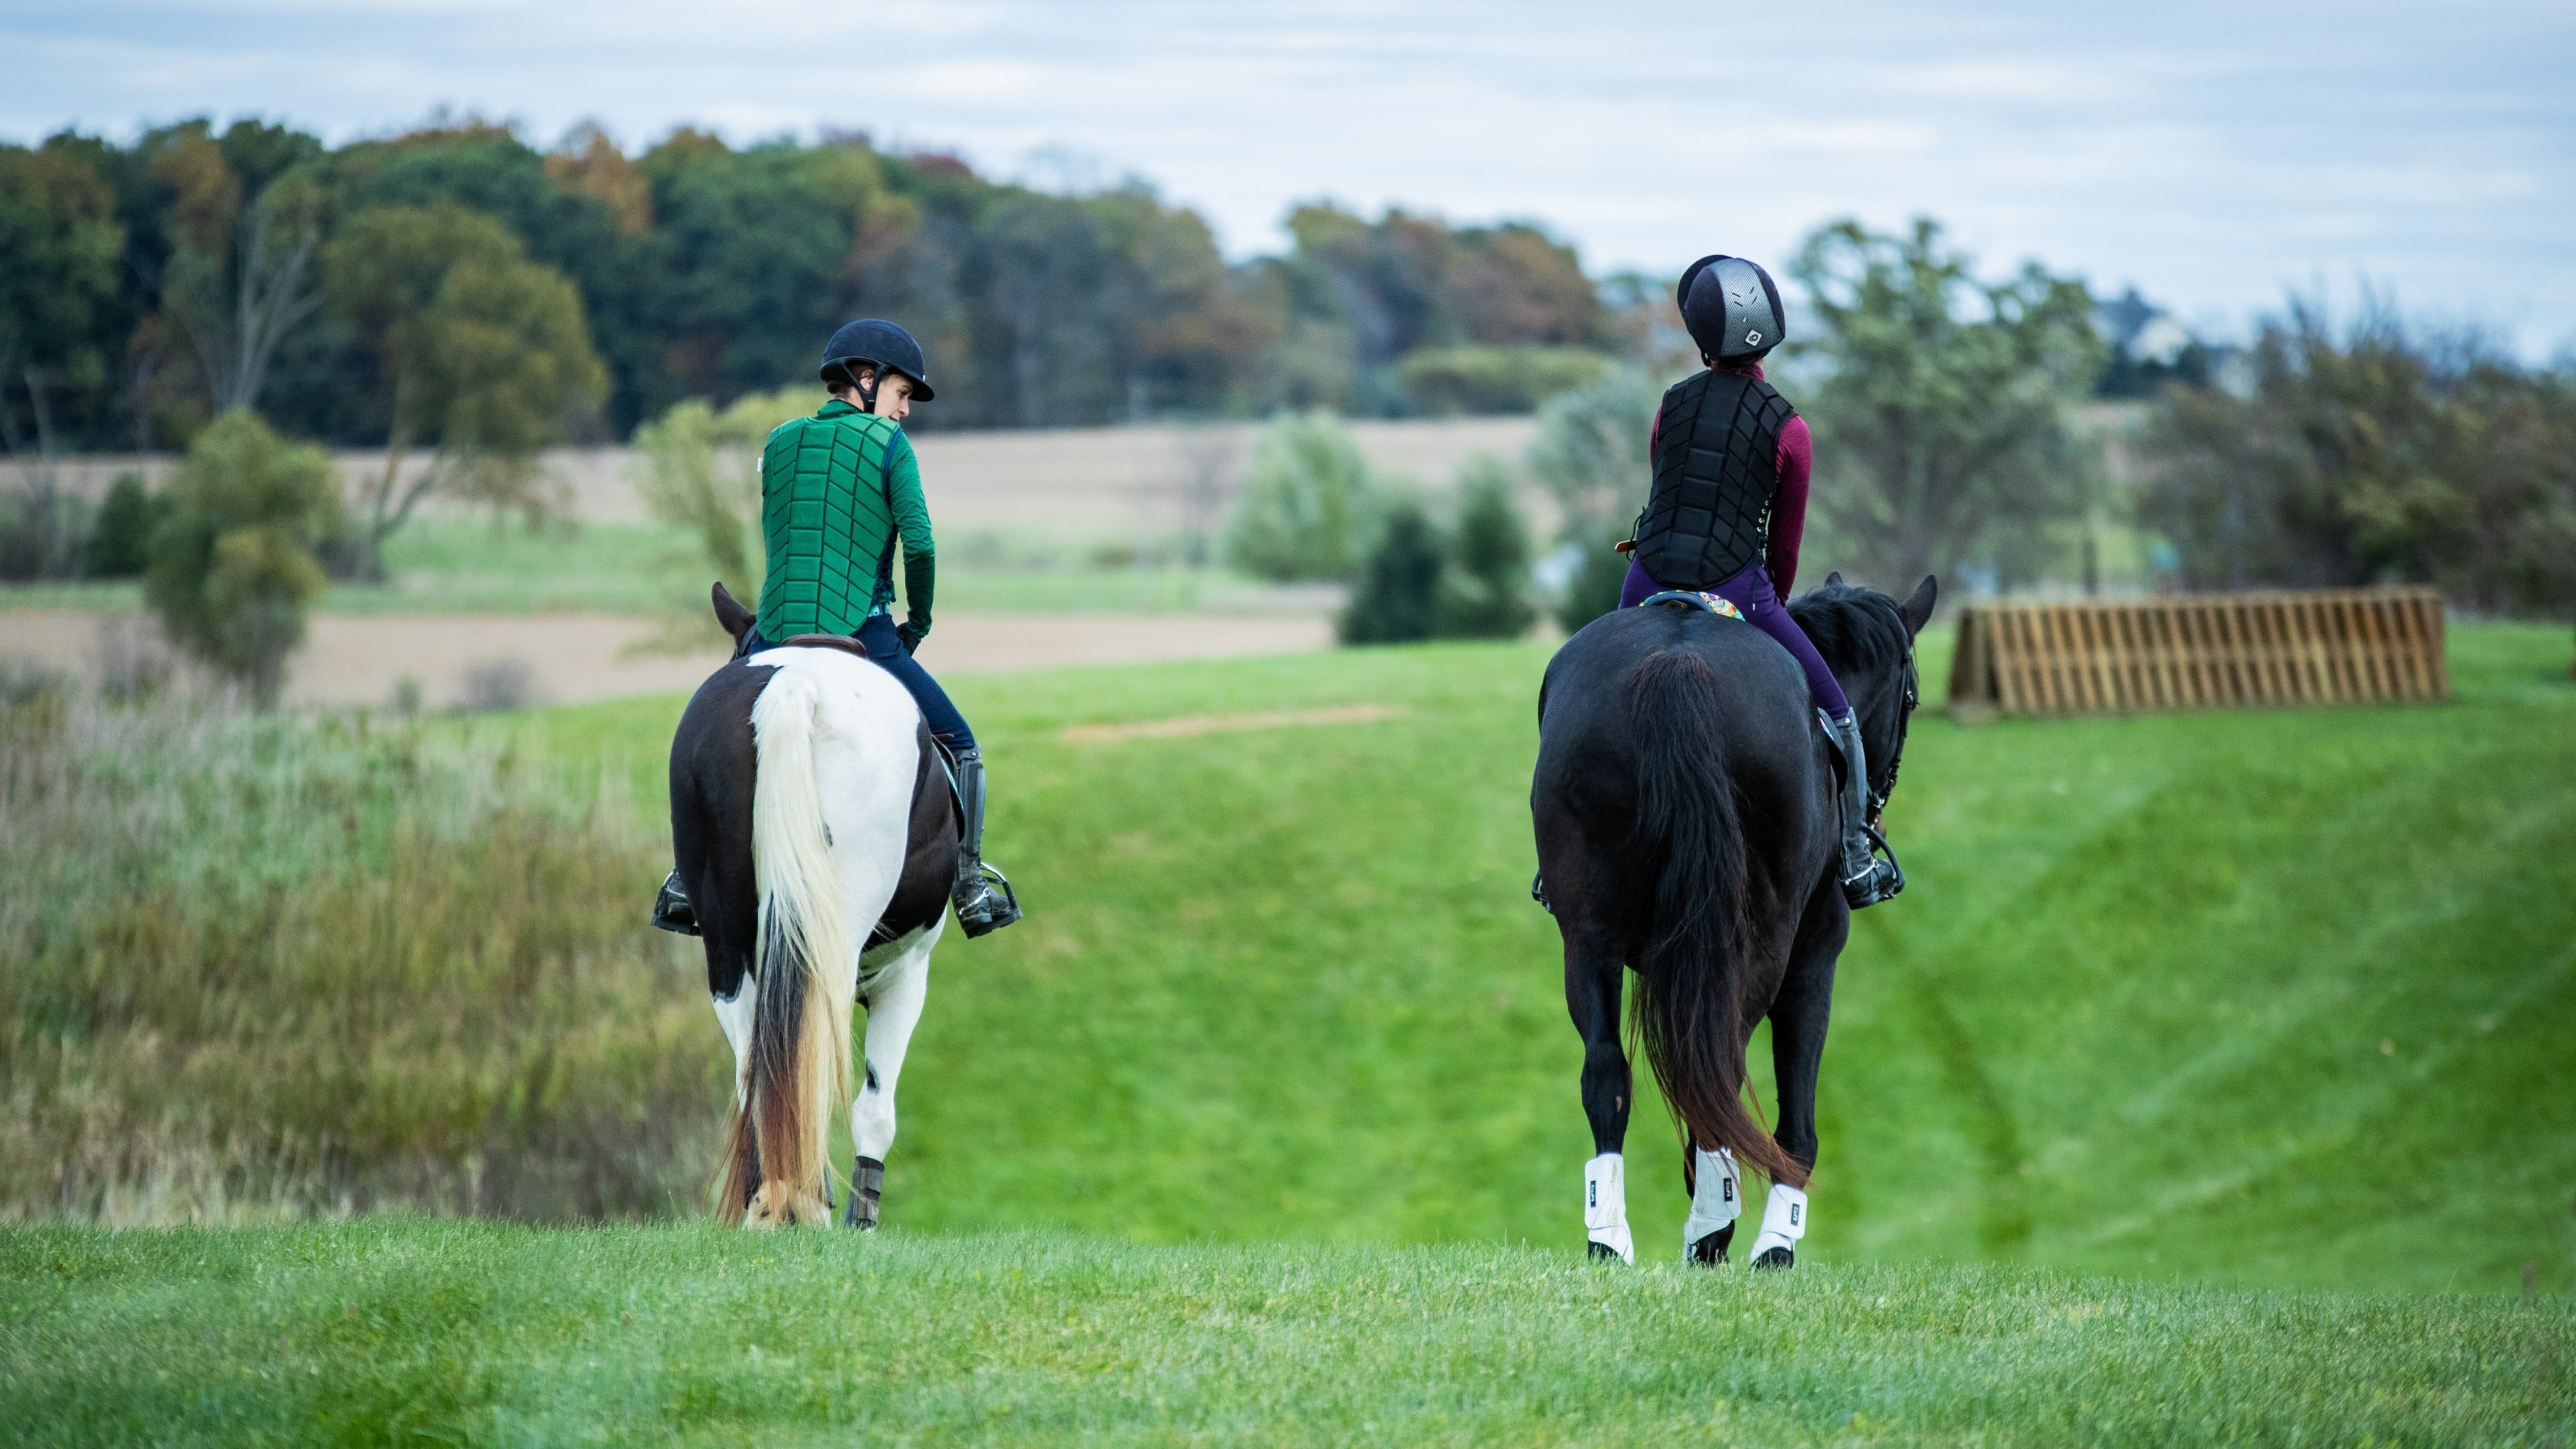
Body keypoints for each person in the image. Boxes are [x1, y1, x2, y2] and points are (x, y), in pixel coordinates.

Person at [652, 318, 1021, 938]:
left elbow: (790, 540)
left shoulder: (777, 444)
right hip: (866, 634)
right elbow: (921, 547)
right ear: (866, 378)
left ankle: (686, 881)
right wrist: (917, 624)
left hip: (770, 636)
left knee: (706, 738)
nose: (904, 411)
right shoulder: (887, 445)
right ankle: (970, 883)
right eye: (903, 393)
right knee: (961, 745)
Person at [1618, 255, 1901, 909]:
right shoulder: (1790, 429)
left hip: (1650, 572)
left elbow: (1667, 490)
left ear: (1699, 338)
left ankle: (1560, 864)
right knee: (1840, 716)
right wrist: (1764, 600)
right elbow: (1785, 544)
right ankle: (1858, 858)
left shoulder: (1671, 406)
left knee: (1581, 681)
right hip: (1738, 586)